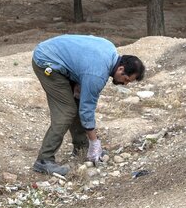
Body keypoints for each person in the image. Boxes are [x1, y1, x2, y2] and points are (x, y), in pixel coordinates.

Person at [31, 35, 145, 176]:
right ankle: (44, 160)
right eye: (126, 79)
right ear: (121, 69)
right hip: (46, 61)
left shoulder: (110, 49)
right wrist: (94, 141)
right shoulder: (97, 75)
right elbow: (87, 110)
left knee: (77, 101)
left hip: (55, 54)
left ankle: (81, 148)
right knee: (66, 112)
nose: (125, 83)